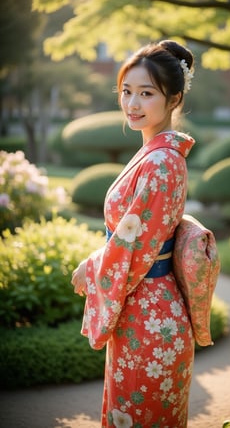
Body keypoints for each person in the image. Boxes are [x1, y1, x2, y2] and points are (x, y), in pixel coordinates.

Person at [71, 39, 196, 427]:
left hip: (151, 319)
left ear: (174, 99)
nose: (132, 104)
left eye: (146, 93)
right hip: (144, 310)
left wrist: (90, 270)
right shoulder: (154, 154)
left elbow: (134, 244)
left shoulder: (161, 163)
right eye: (126, 92)